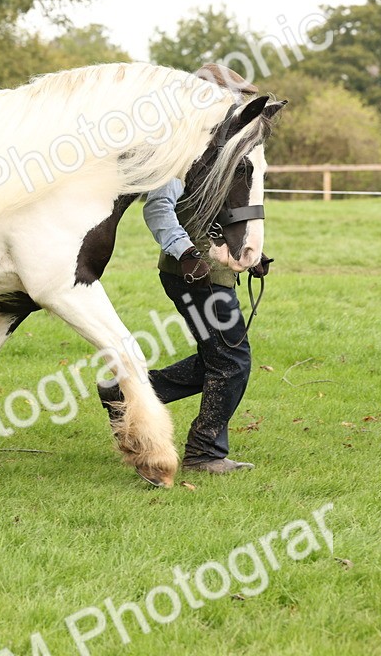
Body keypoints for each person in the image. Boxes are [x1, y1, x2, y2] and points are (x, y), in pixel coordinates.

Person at [98, 179, 271, 475]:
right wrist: (186, 253)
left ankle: (123, 393)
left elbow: (223, 213)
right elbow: (157, 208)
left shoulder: (218, 162)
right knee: (232, 361)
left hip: (210, 275)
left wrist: (246, 251)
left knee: (217, 360)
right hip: (196, 276)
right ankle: (204, 452)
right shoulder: (182, 164)